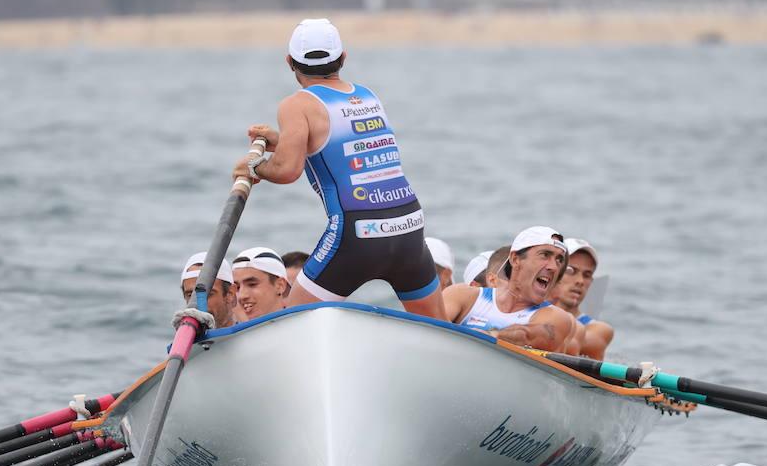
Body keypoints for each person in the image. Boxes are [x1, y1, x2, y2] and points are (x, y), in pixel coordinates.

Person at [234, 18, 447, 320]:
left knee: (292, 322)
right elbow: (336, 149)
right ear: (343, 57)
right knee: (440, 327)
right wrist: (281, 142)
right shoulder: (367, 96)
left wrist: (254, 165)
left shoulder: (297, 104)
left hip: (356, 233)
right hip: (408, 225)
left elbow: (286, 171)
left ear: (289, 63)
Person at [442, 227, 575, 349]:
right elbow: (431, 330)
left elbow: (528, 336)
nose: (554, 267)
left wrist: (490, 336)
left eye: (559, 260)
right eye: (545, 255)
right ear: (515, 259)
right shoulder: (462, 295)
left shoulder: (557, 318)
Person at [556, 237, 615, 360]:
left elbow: (570, 343)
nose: (580, 281)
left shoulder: (600, 330)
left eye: (587, 275)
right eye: (571, 271)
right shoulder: (527, 310)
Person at [180, 251, 243, 329]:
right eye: (190, 295)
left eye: (208, 294)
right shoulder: (181, 341)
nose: (198, 305)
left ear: (230, 294)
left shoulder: (253, 338)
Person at [232, 246, 290, 319]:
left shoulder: (304, 327)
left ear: (280, 285)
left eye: (252, 284)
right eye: (238, 288)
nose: (242, 296)